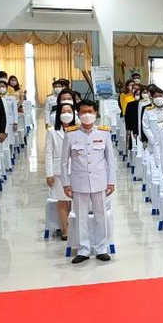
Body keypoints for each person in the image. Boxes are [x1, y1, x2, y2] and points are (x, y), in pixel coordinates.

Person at [60, 99, 116, 263]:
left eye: (90, 112)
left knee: (101, 216)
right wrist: (65, 183)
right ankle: (83, 249)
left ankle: (101, 248)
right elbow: (64, 162)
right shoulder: (71, 134)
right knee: (81, 217)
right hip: (79, 182)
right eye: (83, 112)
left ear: (96, 113)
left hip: (100, 181)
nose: (87, 115)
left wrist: (111, 181)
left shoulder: (104, 133)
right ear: (78, 114)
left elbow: (110, 160)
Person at [45, 101, 74, 240]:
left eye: (69, 111)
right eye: (63, 112)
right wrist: (49, 174)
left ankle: (74, 226)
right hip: (58, 171)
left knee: (74, 200)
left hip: (75, 170)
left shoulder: (78, 129)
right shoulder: (52, 131)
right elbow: (48, 153)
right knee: (62, 200)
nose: (66, 114)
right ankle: (65, 229)